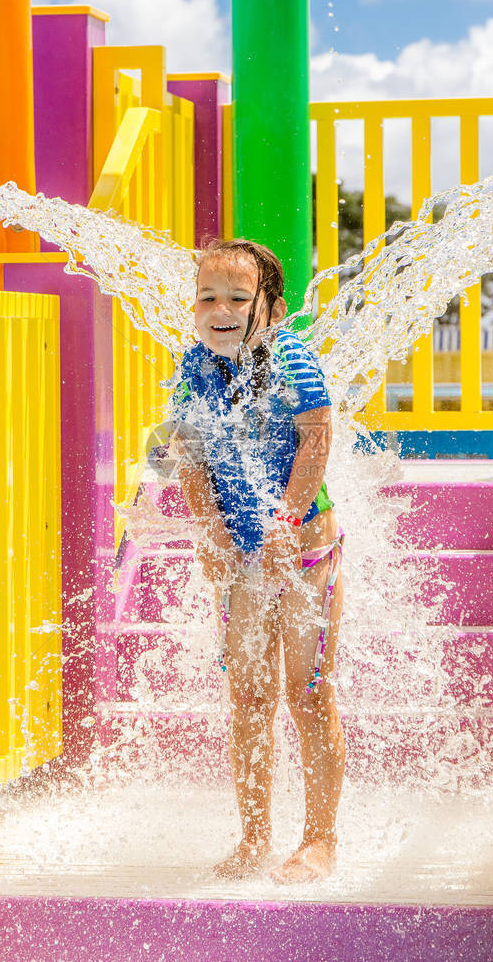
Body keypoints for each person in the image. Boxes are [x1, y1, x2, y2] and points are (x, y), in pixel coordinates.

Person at [170, 238, 345, 884]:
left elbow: (317, 434)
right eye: (208, 296)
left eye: (237, 298)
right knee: (248, 697)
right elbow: (187, 450)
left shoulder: (292, 354)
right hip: (242, 557)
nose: (220, 309)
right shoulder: (194, 363)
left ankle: (319, 839)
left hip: (304, 550)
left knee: (307, 691)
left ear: (269, 306)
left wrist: (287, 516)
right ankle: (254, 837)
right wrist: (211, 527)